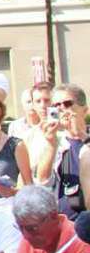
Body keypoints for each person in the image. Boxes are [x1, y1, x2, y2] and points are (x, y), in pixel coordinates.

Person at [51, 84, 89, 218]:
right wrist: (50, 144)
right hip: (67, 222)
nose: (61, 109)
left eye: (67, 104)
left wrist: (82, 135)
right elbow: (42, 180)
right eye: (56, 105)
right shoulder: (55, 142)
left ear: (84, 111)